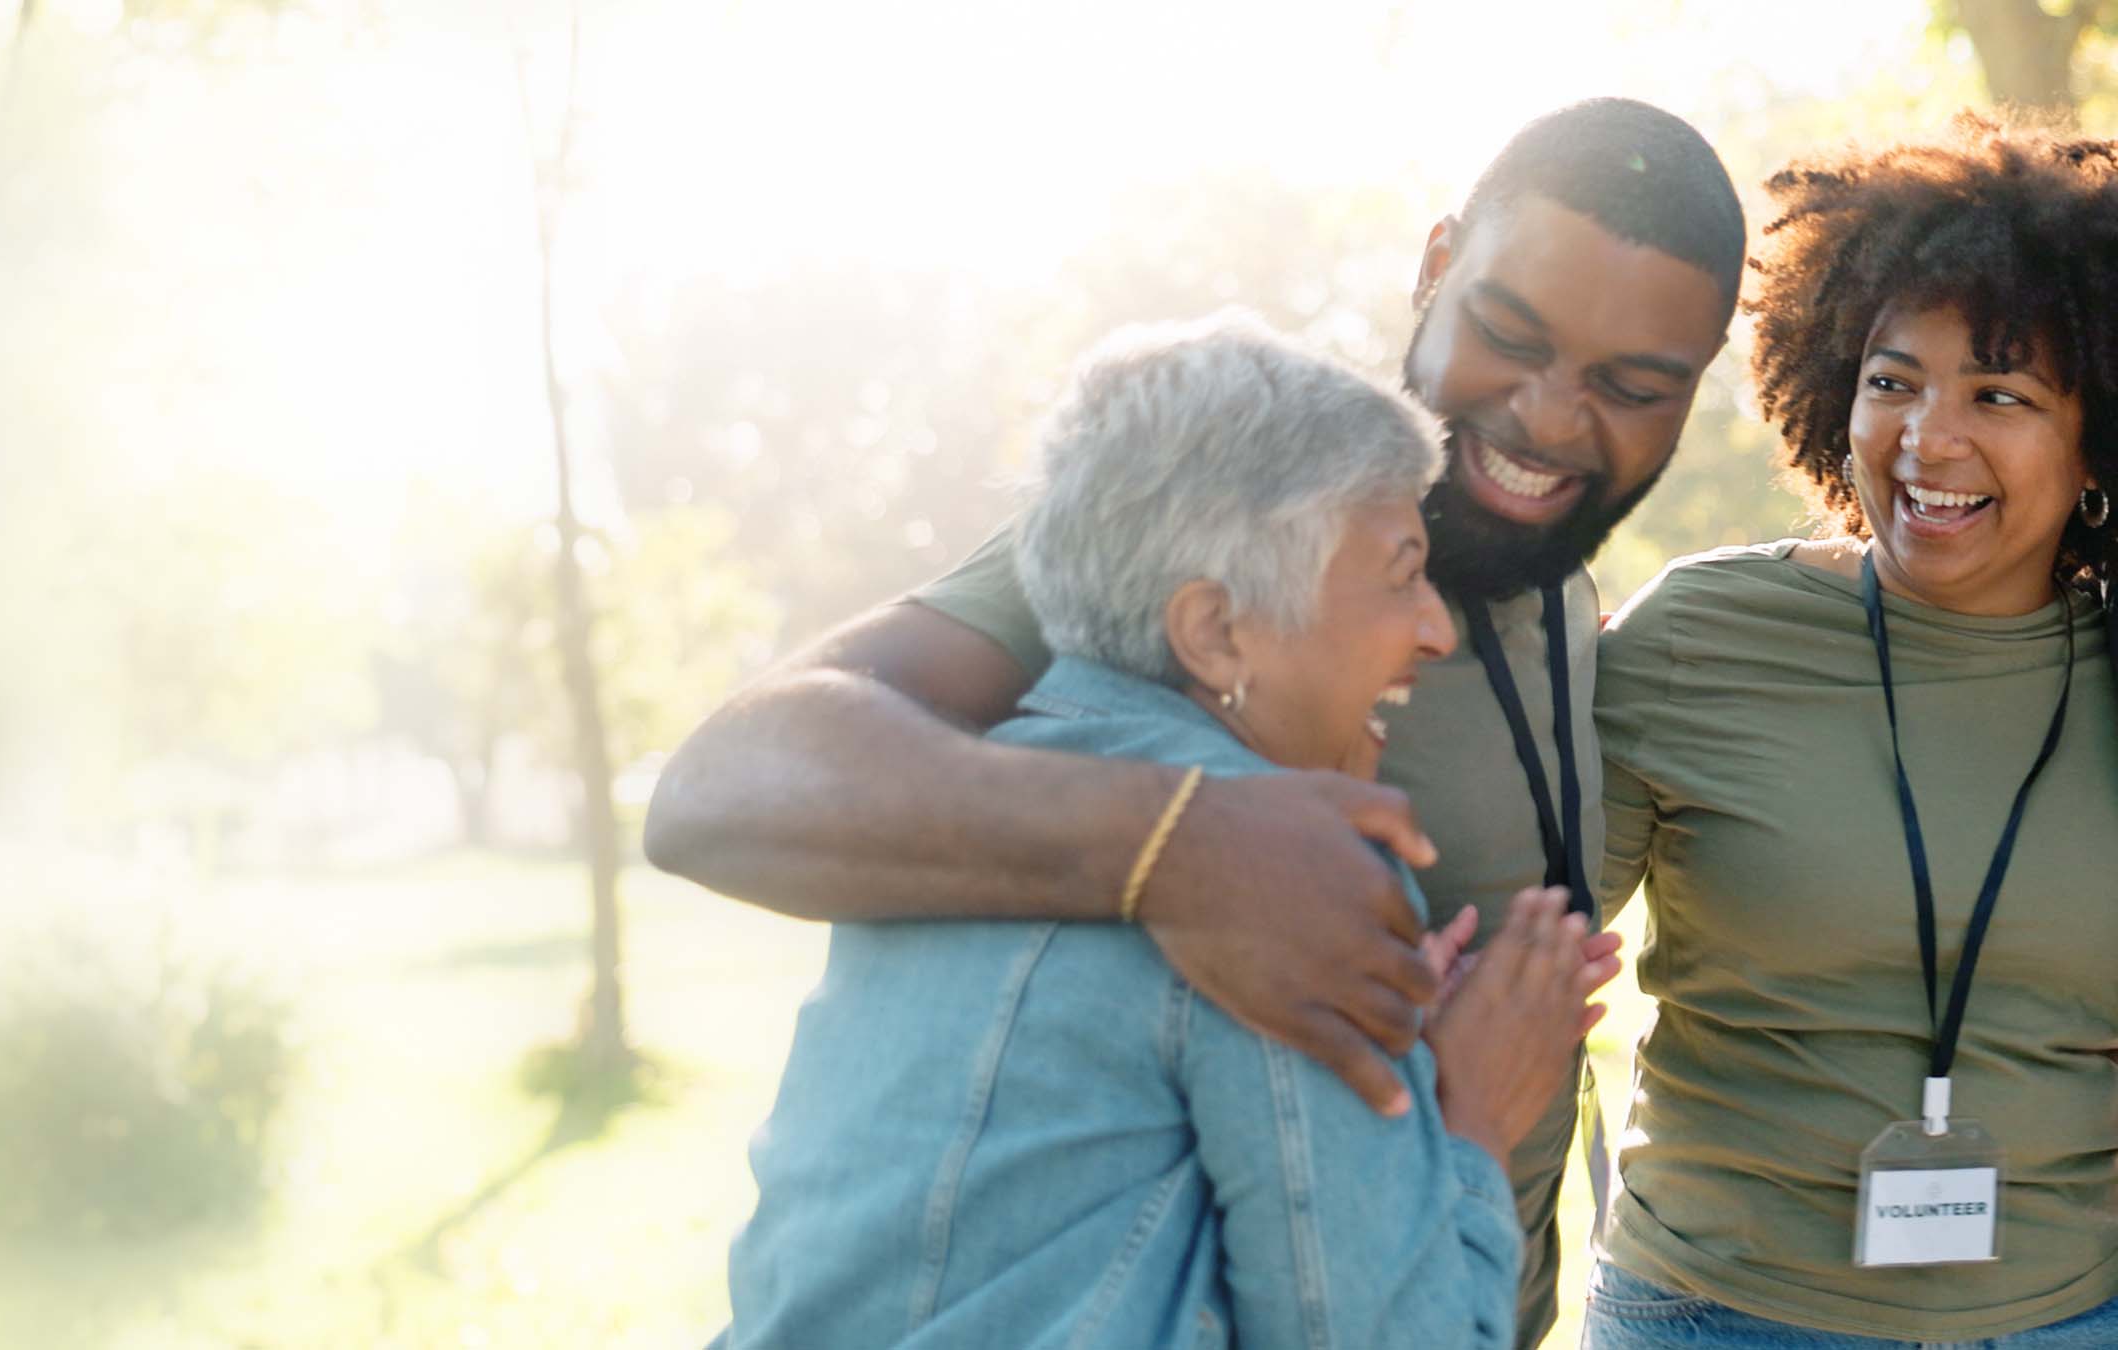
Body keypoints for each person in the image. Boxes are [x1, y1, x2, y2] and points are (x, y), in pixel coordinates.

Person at [649, 97, 1744, 1346]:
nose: (1549, 420)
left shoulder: (1567, 599)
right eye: (1507, 332)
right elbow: (721, 786)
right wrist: (1186, 843)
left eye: (1632, 385)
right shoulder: (1224, 520)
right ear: (1434, 267)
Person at [720, 317, 1619, 1350]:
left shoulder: (941, 821)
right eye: (1399, 570)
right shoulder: (1286, 872)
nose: (1436, 627)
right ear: (1213, 630)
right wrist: (1467, 1117)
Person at [1585, 119, 2118, 1347]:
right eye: (1892, 381)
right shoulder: (1697, 635)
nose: (1928, 439)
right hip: (1716, 1315)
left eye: (2001, 392)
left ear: (2093, 436)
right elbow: (1510, 931)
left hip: (2070, 1316)